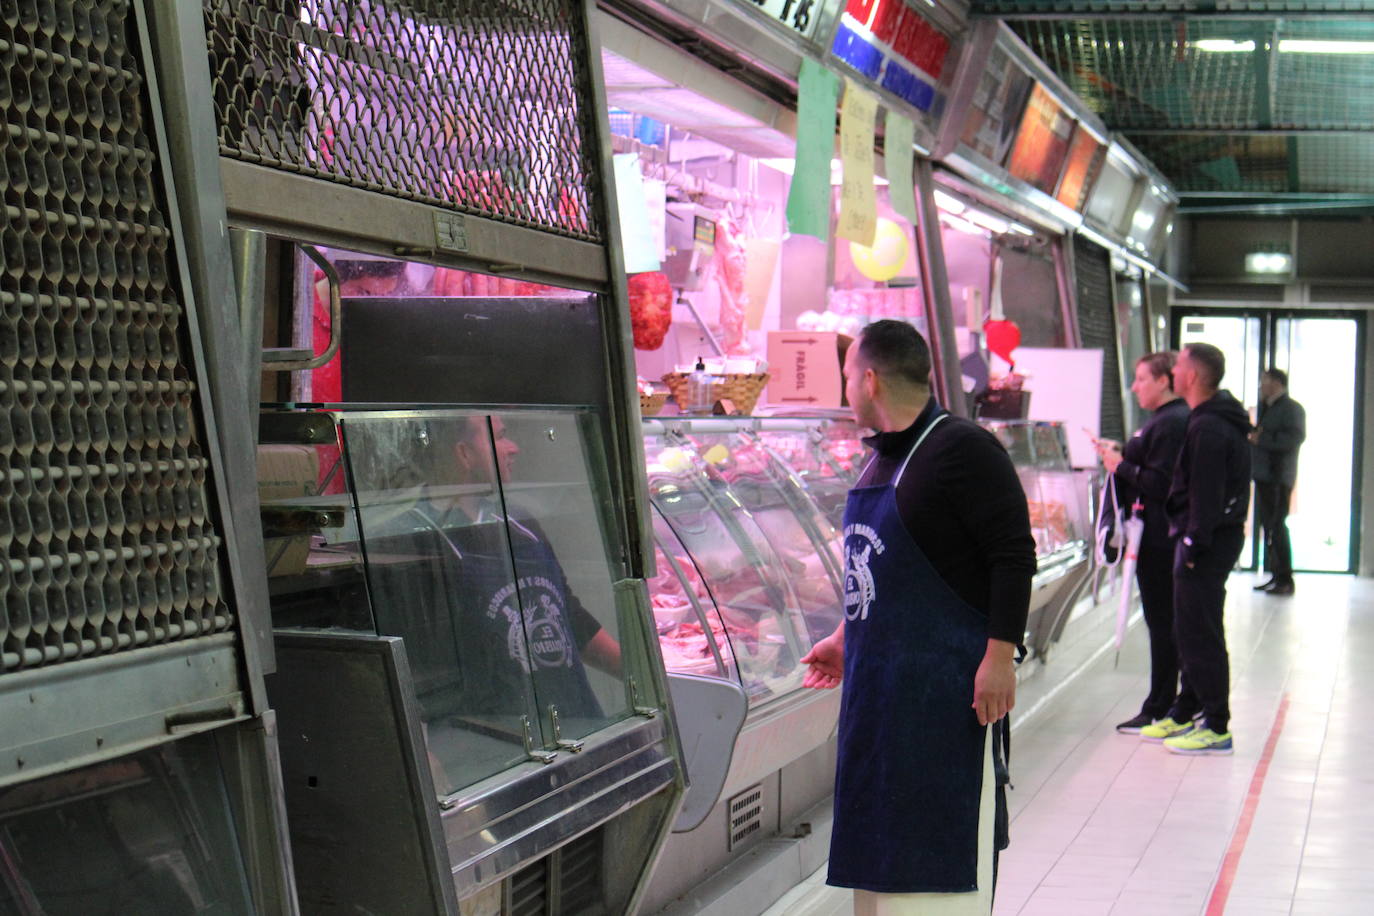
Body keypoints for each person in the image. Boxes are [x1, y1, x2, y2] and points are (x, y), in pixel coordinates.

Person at [800, 321, 1036, 912]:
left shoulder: (961, 449)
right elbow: (877, 571)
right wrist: (841, 637)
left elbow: (1013, 555)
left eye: (849, 376)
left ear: (871, 379)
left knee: (932, 888)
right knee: (877, 882)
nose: (845, 388)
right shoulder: (881, 458)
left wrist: (1000, 658)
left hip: (943, 705)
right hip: (878, 702)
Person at [1141, 343, 1251, 756]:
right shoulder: (1208, 419)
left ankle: (1216, 724)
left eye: (1180, 365)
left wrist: (1192, 542)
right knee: (1188, 629)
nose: (1174, 371)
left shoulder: (1209, 427)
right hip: (1204, 538)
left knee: (1200, 631)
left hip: (1205, 542)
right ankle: (1186, 710)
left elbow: (1207, 492)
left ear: (1193, 376)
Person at [1095, 352, 1190, 734]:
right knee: (1164, 621)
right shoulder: (1164, 422)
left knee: (1165, 621)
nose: (1134, 387)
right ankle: (1171, 700)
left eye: (1141, 379)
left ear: (1165, 381)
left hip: (1160, 539)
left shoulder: (1171, 424)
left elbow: (1161, 484)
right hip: (1157, 538)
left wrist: (1122, 466)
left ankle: (1164, 704)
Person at [1250, 368, 1306, 596]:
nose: (1261, 386)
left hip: (1278, 476)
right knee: (1270, 526)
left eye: (1265, 381)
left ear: (1276, 383)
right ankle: (1275, 574)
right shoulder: (1269, 408)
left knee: (1277, 525)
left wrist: (1261, 438)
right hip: (1265, 475)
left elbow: (1294, 438)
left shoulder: (1291, 409)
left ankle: (1285, 578)